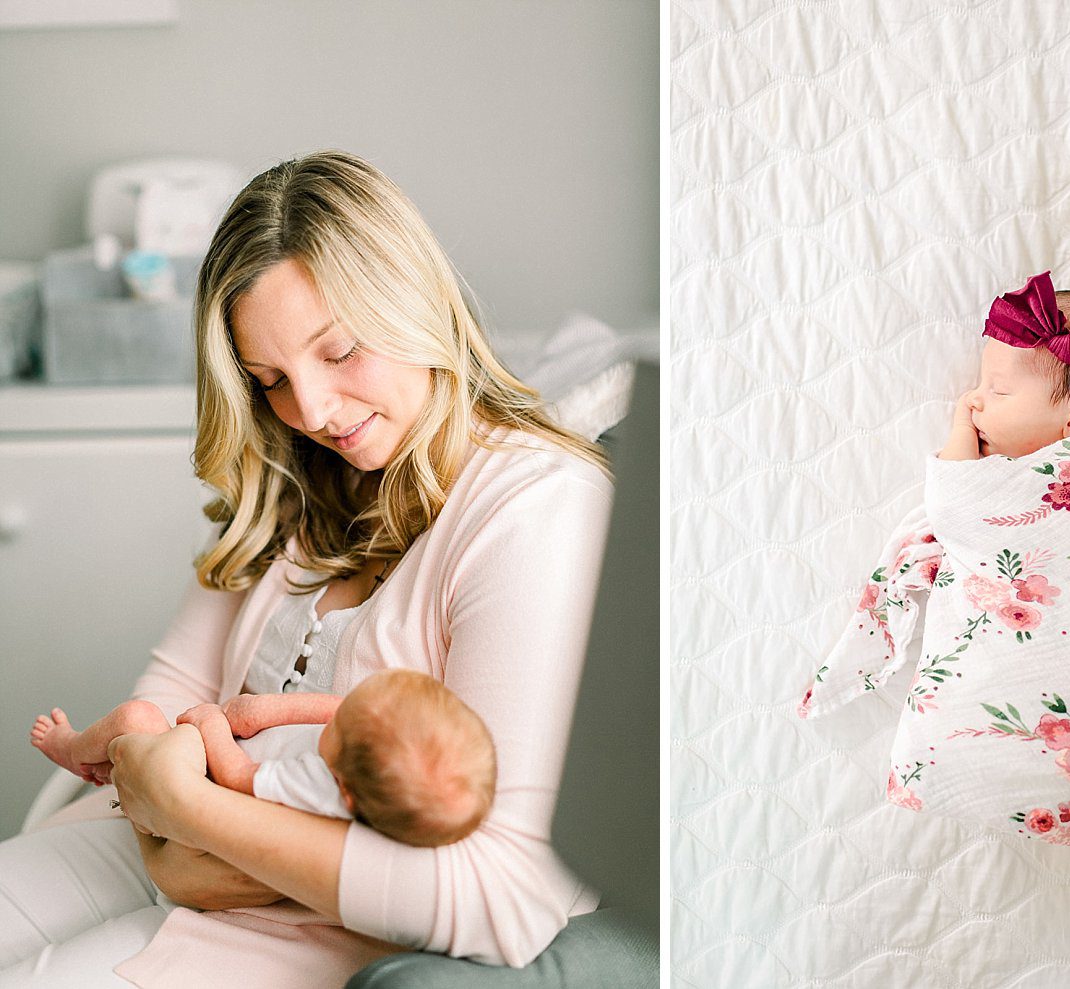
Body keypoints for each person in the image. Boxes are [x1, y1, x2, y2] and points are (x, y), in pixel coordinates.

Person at [0, 150, 614, 987]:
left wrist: (191, 814)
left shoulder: (539, 509)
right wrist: (172, 819)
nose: (313, 411)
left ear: (416, 303)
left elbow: (501, 892)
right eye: (271, 380)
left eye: (341, 352)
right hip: (168, 850)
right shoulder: (300, 485)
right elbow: (162, 706)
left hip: (307, 925)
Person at [799, 271, 1070, 848]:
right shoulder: (1034, 474)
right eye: (981, 385)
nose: (972, 400)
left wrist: (957, 436)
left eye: (998, 391)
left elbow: (956, 508)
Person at [30, 669, 497, 848]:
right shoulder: (375, 751)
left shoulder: (316, 788)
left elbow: (235, 776)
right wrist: (267, 710)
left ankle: (71, 750)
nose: (336, 715)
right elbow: (347, 710)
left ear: (346, 791)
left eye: (340, 729)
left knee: (137, 716)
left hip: (197, 786)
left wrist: (212, 721)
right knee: (137, 737)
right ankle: (113, 770)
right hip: (195, 759)